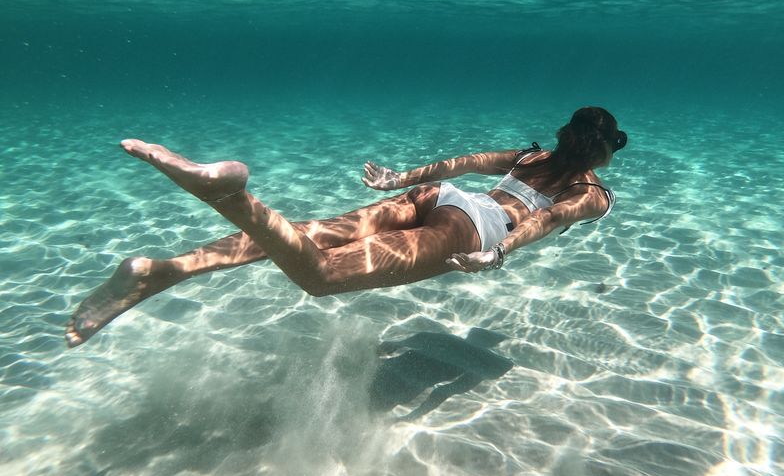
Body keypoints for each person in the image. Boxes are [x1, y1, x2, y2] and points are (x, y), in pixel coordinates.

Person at [64, 107, 626, 348]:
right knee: (321, 276)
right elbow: (549, 218)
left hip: (442, 197)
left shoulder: (529, 157)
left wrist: (398, 180)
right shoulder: (594, 194)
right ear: (602, 151)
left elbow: (462, 163)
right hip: (477, 224)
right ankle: (231, 196)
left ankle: (158, 270)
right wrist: (499, 251)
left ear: (563, 134)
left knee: (303, 234)